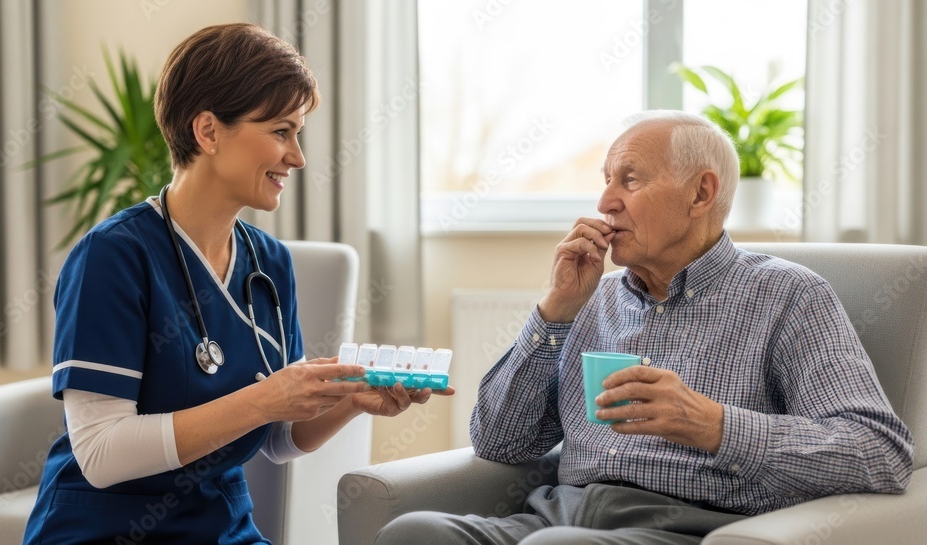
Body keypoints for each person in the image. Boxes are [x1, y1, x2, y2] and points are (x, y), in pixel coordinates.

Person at [376, 111, 913, 545]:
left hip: (688, 527)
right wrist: (556, 309)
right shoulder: (592, 299)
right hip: (557, 518)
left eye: (630, 179)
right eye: (606, 181)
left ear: (701, 194)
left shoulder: (789, 296)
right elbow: (500, 441)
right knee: (413, 532)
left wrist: (713, 424)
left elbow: (878, 452)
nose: (606, 201)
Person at [24, 23, 452, 544]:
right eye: (280, 132)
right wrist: (266, 399)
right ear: (207, 131)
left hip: (221, 530)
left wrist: (350, 401)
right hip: (102, 531)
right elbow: (100, 454)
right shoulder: (113, 256)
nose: (297, 157)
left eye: (298, 134)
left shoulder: (268, 262)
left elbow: (277, 438)